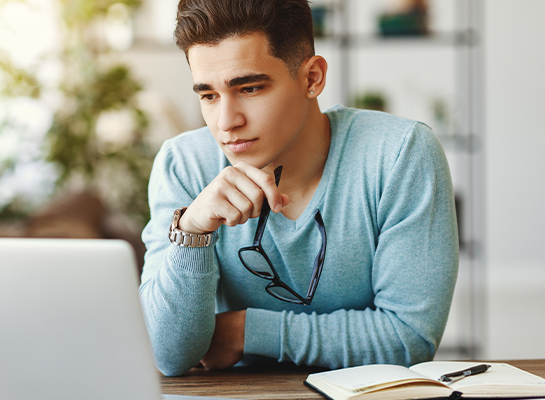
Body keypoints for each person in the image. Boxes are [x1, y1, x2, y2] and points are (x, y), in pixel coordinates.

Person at [139, 0, 459, 377]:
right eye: (208, 95)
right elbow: (167, 355)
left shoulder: (399, 155)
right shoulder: (184, 165)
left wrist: (248, 331)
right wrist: (191, 232)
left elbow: (409, 338)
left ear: (312, 78)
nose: (226, 122)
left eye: (250, 88)